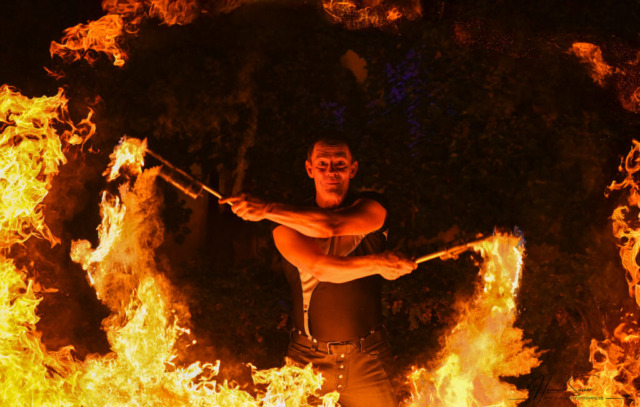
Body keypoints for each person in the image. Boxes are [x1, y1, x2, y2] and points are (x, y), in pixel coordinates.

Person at [220, 137, 417, 407]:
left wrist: (266, 209)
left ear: (353, 169)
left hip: (368, 357)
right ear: (310, 169)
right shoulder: (285, 222)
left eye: (340, 164)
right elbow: (319, 268)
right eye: (322, 164)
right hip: (306, 359)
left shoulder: (373, 206)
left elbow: (332, 225)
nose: (331, 171)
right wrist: (379, 264)